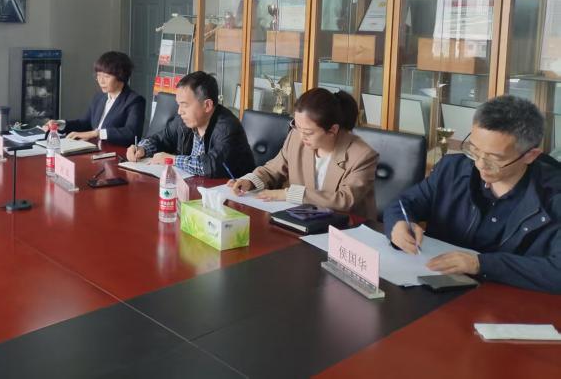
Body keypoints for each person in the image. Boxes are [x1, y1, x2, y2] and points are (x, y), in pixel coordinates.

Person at [383, 95, 561, 293]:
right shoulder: (453, 169)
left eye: (494, 158)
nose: (480, 164)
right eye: (475, 150)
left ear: (530, 155)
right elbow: (404, 203)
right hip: (434, 289)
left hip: (509, 301)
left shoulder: (554, 196)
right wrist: (398, 223)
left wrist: (480, 264)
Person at [229, 88, 378, 219]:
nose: (301, 136)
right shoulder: (296, 137)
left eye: (308, 132)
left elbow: (344, 200)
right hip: (302, 220)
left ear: (333, 129)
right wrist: (249, 181)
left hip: (345, 229)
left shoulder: (362, 156)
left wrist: (289, 194)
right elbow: (272, 170)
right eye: (296, 126)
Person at [126, 71, 254, 178]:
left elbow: (211, 166)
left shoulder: (227, 127)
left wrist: (172, 160)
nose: (179, 111)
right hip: (193, 187)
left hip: (231, 194)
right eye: (178, 104)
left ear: (207, 105)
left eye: (184, 105)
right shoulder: (183, 121)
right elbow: (160, 138)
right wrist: (142, 149)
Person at [46, 51, 144, 147]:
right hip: (94, 148)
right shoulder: (99, 97)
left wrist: (96, 133)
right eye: (98, 75)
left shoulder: (134, 101)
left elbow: (131, 133)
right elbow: (85, 123)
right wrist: (60, 124)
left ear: (121, 76)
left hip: (116, 152)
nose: (101, 81)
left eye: (106, 76)